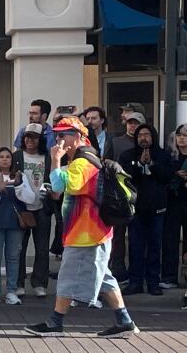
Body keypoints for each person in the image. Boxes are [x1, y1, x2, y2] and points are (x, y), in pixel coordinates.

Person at [25, 117, 139, 338]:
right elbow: (59, 191)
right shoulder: (86, 159)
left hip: (86, 233)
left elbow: (59, 186)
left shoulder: (83, 163)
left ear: (77, 137)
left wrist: (55, 161)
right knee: (104, 278)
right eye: (56, 135)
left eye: (63, 135)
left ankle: (55, 322)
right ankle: (124, 321)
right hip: (92, 232)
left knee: (68, 276)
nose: (58, 140)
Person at [119, 123, 172, 296]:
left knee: (155, 247)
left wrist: (153, 165)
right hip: (136, 209)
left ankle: (153, 282)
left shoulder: (163, 155)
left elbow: (167, 177)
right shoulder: (127, 155)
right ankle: (135, 282)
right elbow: (123, 177)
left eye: (147, 135)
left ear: (153, 137)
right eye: (140, 135)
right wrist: (139, 164)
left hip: (157, 209)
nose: (144, 138)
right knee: (135, 246)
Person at [0, 148, 36, 304]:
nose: (4, 160)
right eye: (1, 157)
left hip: (15, 224)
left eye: (8, 157)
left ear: (12, 160)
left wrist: (18, 186)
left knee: (13, 258)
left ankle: (11, 291)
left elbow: (31, 199)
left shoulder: (20, 176)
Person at [104, 110, 146, 284]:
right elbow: (105, 161)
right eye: (129, 122)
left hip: (141, 194)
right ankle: (118, 271)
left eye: (135, 123)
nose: (132, 125)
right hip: (119, 196)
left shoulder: (146, 142)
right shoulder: (115, 141)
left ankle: (137, 272)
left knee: (138, 237)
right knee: (118, 236)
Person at [12, 123, 52, 297]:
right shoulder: (17, 156)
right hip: (22, 208)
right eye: (27, 137)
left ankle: (40, 283)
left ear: (40, 140)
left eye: (34, 137)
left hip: (42, 206)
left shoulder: (48, 157)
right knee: (19, 247)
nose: (30, 140)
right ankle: (18, 283)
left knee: (42, 247)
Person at [163, 123, 187, 288]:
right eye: (179, 135)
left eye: (185, 135)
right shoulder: (170, 157)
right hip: (173, 203)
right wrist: (175, 175)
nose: (181, 138)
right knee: (170, 240)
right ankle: (169, 277)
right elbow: (163, 178)